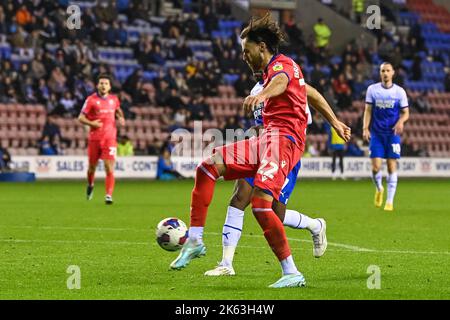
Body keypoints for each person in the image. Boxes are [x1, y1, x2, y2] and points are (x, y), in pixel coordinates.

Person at [170, 13, 351, 288]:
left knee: (262, 206)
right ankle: (195, 240)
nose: (244, 56)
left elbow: (280, 84)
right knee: (207, 167)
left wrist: (263, 95)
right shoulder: (272, 74)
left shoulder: (282, 66)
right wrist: (335, 120)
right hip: (264, 139)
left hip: (285, 142)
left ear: (262, 47)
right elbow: (310, 92)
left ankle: (291, 272)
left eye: (247, 51)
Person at [205, 76, 328, 277]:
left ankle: (315, 225)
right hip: (260, 150)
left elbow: (300, 125)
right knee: (238, 198)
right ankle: (226, 263)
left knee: (274, 214)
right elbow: (263, 126)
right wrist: (253, 134)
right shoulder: (256, 91)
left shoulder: (292, 87)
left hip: (285, 154)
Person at [363, 62, 409, 211]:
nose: (385, 73)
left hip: (392, 134)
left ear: (393, 73)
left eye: (388, 70)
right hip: (376, 133)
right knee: (376, 167)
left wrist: (401, 122)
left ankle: (389, 201)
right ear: (380, 73)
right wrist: (365, 128)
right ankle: (379, 188)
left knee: (391, 166)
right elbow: (368, 110)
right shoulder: (373, 90)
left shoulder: (399, 92)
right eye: (383, 70)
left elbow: (406, 112)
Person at [78, 74, 125, 205]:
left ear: (109, 86)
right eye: (101, 83)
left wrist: (121, 117)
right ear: (97, 85)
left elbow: (118, 110)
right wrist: (92, 124)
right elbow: (80, 118)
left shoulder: (114, 99)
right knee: (91, 168)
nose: (103, 85)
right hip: (95, 139)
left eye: (106, 83)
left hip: (110, 139)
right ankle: (90, 184)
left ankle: (108, 195)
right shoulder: (91, 100)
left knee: (109, 167)